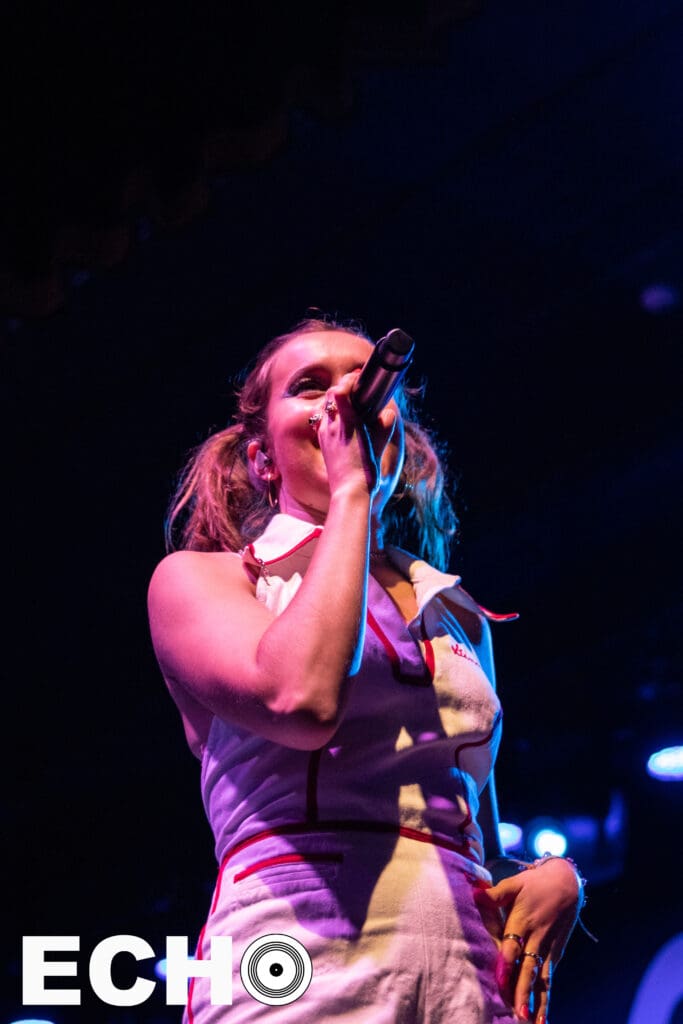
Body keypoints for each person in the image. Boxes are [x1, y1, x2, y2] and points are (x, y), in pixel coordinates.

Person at [147, 316, 584, 1024]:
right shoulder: (208, 581)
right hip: (299, 960)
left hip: (464, 975)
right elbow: (299, 700)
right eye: (309, 386)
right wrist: (351, 491)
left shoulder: (457, 615)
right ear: (263, 459)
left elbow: (473, 830)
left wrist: (551, 879)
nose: (342, 399)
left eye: (360, 383)